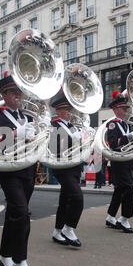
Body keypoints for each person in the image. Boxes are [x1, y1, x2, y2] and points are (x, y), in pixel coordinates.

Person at [0, 72, 37, 266]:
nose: (18, 95)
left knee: (15, 214)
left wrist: (42, 130)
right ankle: (20, 261)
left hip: (28, 169)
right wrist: (17, 133)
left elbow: (46, 144)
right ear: (4, 94)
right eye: (13, 92)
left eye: (19, 91)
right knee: (22, 213)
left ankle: (5, 255)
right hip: (9, 170)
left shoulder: (28, 116)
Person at [49, 90, 84, 246]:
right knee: (77, 198)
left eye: (70, 110)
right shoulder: (54, 125)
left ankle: (57, 231)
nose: (70, 113)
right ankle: (68, 229)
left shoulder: (75, 127)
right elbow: (54, 148)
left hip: (75, 166)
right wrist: (72, 140)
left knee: (66, 200)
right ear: (59, 111)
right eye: (67, 110)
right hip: (62, 167)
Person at [105, 90, 133, 233]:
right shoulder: (112, 124)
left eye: (126, 108)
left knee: (119, 190)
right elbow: (113, 144)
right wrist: (129, 137)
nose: (126, 111)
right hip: (118, 161)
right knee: (128, 190)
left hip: (126, 160)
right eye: (124, 109)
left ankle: (110, 216)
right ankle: (124, 219)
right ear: (116, 109)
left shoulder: (125, 124)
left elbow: (127, 142)